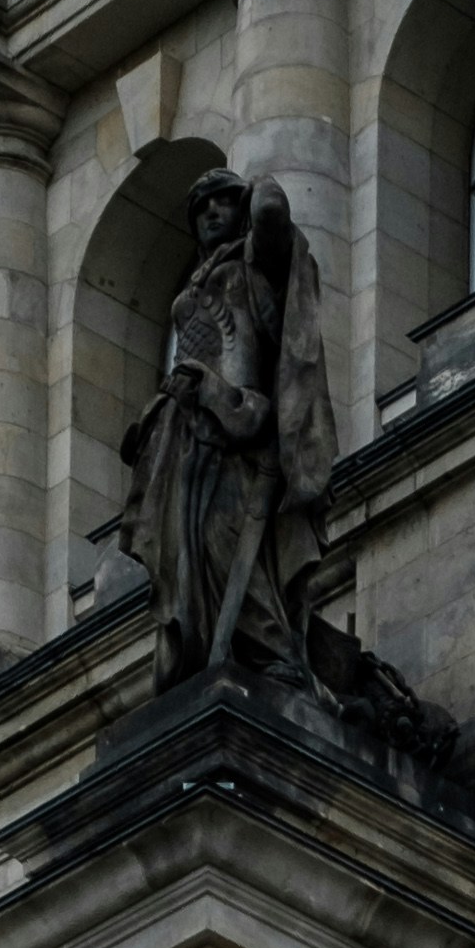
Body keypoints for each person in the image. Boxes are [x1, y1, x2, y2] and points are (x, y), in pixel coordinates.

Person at [110, 169, 338, 693]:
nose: (213, 211)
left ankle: (273, 651)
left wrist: (258, 184)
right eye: (202, 205)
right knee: (188, 547)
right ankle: (210, 646)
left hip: (240, 422)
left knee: (226, 536)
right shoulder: (193, 283)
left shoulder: (251, 267)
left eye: (223, 201)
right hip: (186, 428)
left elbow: (273, 217)